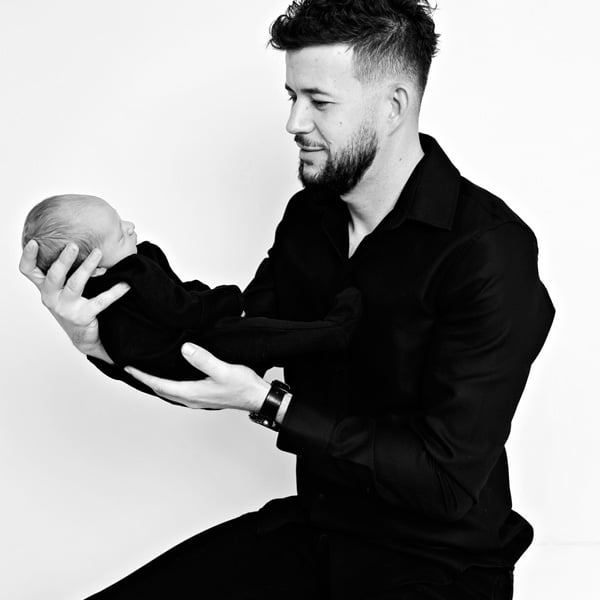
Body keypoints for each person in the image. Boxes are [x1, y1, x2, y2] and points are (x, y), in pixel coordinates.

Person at [19, 1, 555, 598]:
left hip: (439, 566)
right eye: (291, 96)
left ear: (394, 105)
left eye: (319, 102)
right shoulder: (309, 219)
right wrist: (102, 341)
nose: (294, 122)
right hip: (319, 533)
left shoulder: (489, 252)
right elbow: (227, 354)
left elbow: (447, 480)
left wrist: (272, 404)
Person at [22, 194, 361, 389]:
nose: (130, 227)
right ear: (94, 267)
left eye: (121, 219)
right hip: (189, 357)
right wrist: (230, 299)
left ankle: (319, 336)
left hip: (176, 360)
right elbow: (182, 309)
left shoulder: (97, 289)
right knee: (252, 335)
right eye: (119, 233)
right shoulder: (133, 271)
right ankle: (334, 333)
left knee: (259, 333)